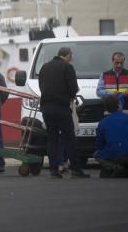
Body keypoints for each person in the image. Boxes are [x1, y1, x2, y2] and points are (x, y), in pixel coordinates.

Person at [38, 46, 89, 178]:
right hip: (61, 107)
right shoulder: (67, 67)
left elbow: (41, 86)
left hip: (46, 107)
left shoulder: (44, 67)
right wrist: (68, 98)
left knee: (52, 138)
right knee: (70, 138)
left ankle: (53, 170)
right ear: (68, 55)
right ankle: (76, 169)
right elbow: (73, 89)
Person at [95, 94, 128, 178]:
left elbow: (100, 145)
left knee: (97, 155)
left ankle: (115, 167)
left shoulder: (103, 123)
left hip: (116, 155)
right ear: (119, 105)